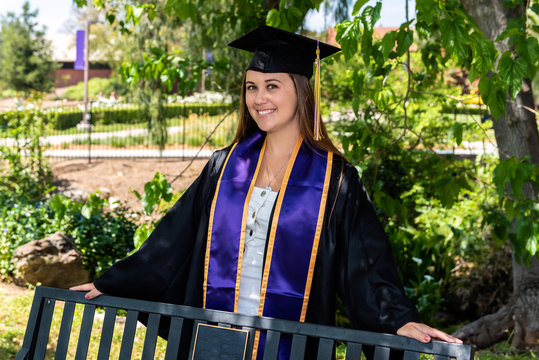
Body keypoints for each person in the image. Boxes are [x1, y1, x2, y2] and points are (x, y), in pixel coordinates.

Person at [71, 25, 461, 358]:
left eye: (272, 86)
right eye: (251, 87)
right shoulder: (224, 168)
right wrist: (114, 281)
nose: (259, 99)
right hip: (214, 340)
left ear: (302, 91)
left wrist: (399, 320)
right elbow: (172, 241)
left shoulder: (335, 180)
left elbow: (365, 264)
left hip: (288, 344)